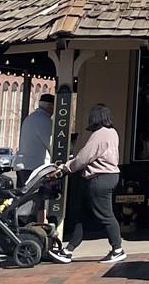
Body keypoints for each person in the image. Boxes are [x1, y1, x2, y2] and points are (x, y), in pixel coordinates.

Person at [52, 104, 123, 264]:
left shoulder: (100, 134)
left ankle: (117, 249)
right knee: (82, 216)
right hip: (109, 176)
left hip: (99, 178)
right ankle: (68, 250)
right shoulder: (112, 132)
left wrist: (66, 168)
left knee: (106, 215)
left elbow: (85, 157)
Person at [14, 93, 54, 218]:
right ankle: (29, 229)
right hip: (36, 167)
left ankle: (24, 227)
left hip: (23, 164)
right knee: (34, 202)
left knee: (26, 200)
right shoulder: (44, 121)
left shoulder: (30, 118)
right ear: (49, 106)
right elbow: (51, 144)